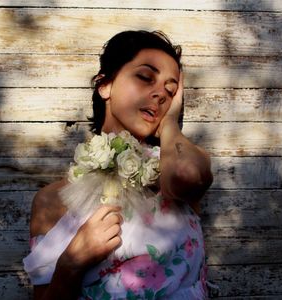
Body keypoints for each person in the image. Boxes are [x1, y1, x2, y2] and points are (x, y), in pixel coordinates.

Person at [23, 30, 213, 299]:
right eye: (145, 77)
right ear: (105, 85)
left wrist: (170, 121)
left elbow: (187, 173)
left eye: (170, 91)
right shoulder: (50, 200)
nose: (160, 93)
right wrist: (71, 264)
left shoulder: (174, 172)